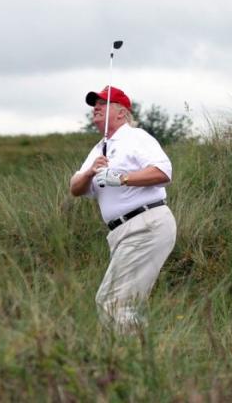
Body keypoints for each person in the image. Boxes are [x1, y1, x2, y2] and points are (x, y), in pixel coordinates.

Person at [69, 85, 177, 333]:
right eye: (95, 104)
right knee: (119, 302)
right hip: (123, 231)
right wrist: (89, 172)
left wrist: (122, 178)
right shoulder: (99, 148)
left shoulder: (135, 137)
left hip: (146, 224)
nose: (96, 108)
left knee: (113, 302)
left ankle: (131, 353)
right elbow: (75, 188)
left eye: (103, 104)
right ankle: (139, 350)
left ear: (121, 112)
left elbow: (163, 172)